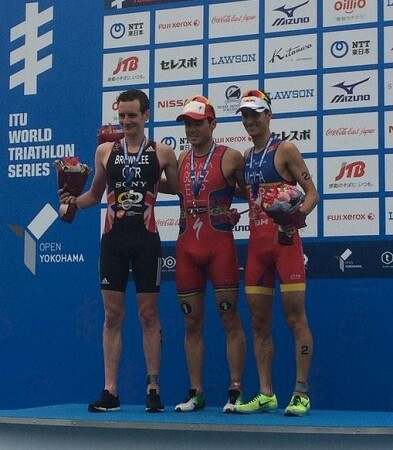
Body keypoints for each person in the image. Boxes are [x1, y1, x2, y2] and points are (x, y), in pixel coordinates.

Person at [59, 89, 178, 413]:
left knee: (148, 314)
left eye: (132, 115)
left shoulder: (163, 152)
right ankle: (110, 391)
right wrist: (71, 203)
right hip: (113, 240)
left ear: (146, 115)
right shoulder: (104, 152)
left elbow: (183, 191)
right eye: (122, 115)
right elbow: (94, 195)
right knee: (112, 316)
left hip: (147, 240)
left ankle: (153, 388)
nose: (126, 121)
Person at [234, 89, 319, 416]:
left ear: (268, 114)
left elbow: (312, 194)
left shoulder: (285, 150)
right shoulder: (246, 156)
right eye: (245, 114)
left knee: (296, 319)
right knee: (258, 322)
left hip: (285, 245)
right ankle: (266, 392)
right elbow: (254, 200)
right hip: (256, 248)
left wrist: (295, 219)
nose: (251, 120)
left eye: (256, 113)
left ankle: (301, 392)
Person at [172, 95, 247, 413]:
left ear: (213, 124)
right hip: (187, 247)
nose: (191, 128)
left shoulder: (230, 157)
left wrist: (235, 214)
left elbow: (252, 193)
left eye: (198, 122)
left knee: (229, 317)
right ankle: (196, 392)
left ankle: (236, 390)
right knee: (191, 323)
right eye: (187, 123)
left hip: (220, 248)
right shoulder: (180, 159)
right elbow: (178, 197)